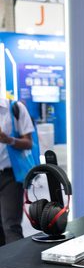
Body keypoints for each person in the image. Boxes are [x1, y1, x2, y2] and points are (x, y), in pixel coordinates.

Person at [0, 97, 34, 246]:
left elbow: (29, 143)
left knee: (11, 226)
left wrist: (8, 140)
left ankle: (16, 260)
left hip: (10, 175)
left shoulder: (15, 108)